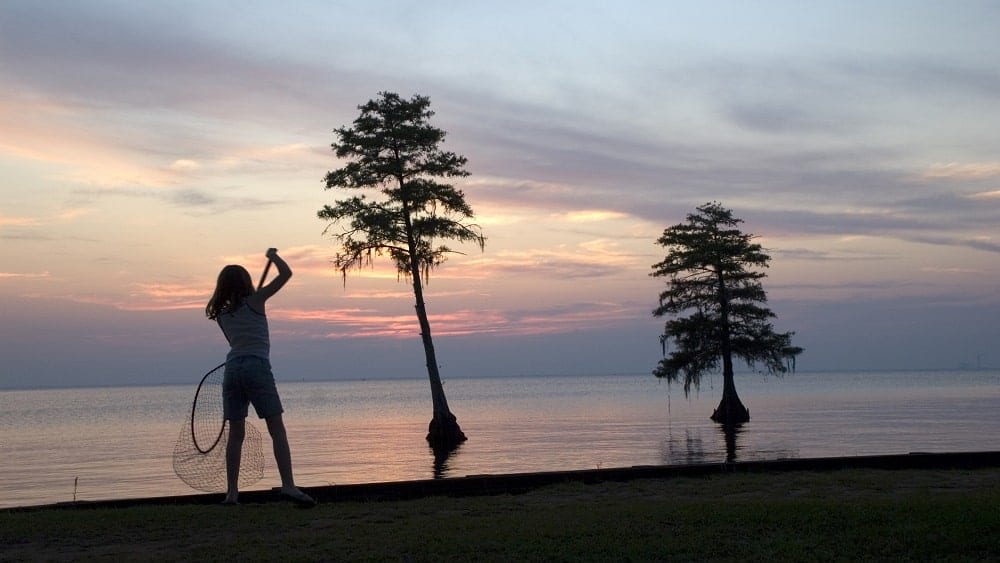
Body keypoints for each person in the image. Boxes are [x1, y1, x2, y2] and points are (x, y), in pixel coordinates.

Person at [205, 248, 315, 506]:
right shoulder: (256, 301)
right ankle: (288, 485)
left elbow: (235, 341)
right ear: (246, 282)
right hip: (256, 366)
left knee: (236, 433)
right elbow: (286, 274)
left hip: (232, 369)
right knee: (277, 428)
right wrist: (274, 257)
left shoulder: (222, 315)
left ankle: (232, 493)